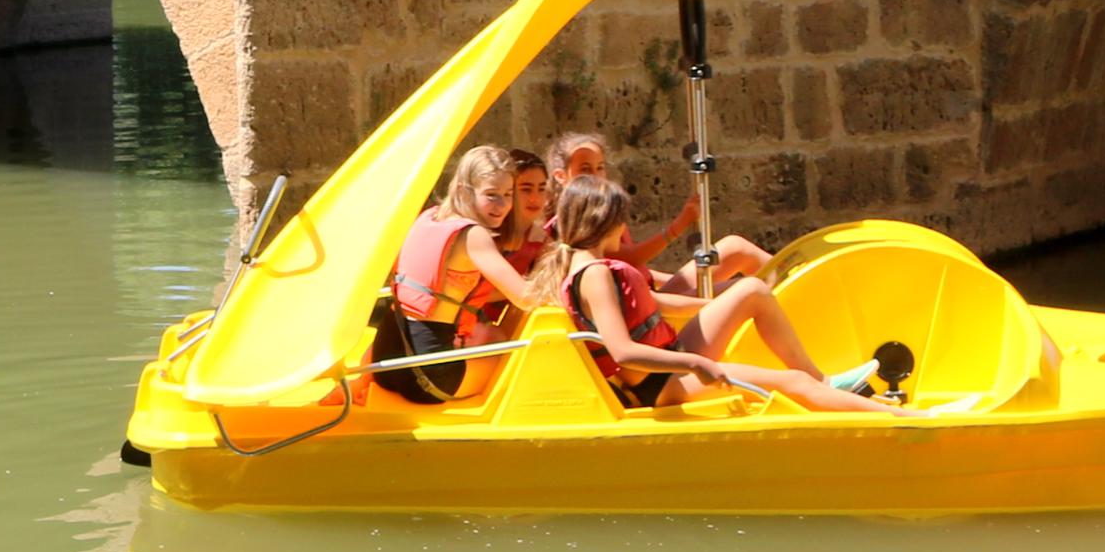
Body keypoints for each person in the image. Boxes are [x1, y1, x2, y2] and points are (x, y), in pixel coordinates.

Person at [550, 173, 883, 416]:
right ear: (605, 221)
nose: (624, 229)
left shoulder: (592, 268)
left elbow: (656, 303)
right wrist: (695, 363)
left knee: (750, 290)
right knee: (791, 382)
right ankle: (903, 419)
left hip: (670, 361)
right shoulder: (593, 275)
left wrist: (719, 304)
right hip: (659, 385)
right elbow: (622, 352)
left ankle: (823, 382)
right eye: (621, 221)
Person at [376, 145, 572, 404]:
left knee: (493, 337)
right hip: (427, 378)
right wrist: (561, 259)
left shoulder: (430, 217)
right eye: (492, 195)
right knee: (516, 357)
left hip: (386, 358)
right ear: (463, 191)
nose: (502, 206)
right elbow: (526, 298)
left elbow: (448, 294)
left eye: (508, 194)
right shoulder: (473, 235)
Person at [554, 132, 700, 268]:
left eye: (600, 168)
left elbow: (635, 272)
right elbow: (631, 259)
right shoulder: (575, 218)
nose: (596, 176)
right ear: (561, 176)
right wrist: (680, 224)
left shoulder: (607, 205)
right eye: (585, 169)